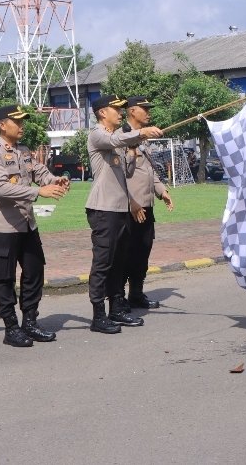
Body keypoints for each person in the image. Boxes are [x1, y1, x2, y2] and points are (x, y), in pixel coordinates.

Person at [0, 105, 70, 347]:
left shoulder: (23, 151)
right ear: (2, 124)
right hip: (3, 225)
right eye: (17, 122)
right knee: (4, 277)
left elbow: (39, 172)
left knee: (34, 271)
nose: (22, 126)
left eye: (22, 122)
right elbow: (2, 188)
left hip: (26, 223)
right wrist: (40, 191)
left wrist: (55, 180)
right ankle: (11, 327)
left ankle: (30, 321)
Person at [86, 94, 163, 334]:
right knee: (103, 265)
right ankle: (98, 316)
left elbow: (127, 170)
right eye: (116, 109)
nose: (120, 112)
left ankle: (116, 308)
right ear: (102, 113)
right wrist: (141, 133)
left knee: (119, 263)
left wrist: (134, 146)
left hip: (119, 209)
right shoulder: (98, 134)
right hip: (103, 209)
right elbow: (116, 139)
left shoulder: (118, 142)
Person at [122, 96, 174, 311]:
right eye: (144, 108)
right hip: (127, 207)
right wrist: (131, 202)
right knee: (125, 254)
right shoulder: (121, 137)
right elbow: (118, 176)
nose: (148, 112)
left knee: (143, 252)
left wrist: (162, 192)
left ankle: (136, 294)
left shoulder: (142, 140)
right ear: (132, 111)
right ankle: (117, 299)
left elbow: (149, 171)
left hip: (146, 206)